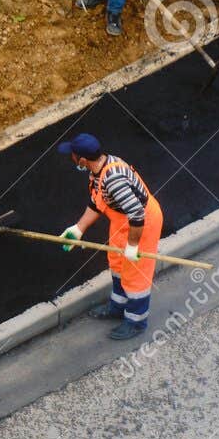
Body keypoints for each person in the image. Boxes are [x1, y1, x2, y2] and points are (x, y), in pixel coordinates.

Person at [55, 132, 163, 341]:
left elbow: (137, 214)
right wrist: (78, 228)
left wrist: (133, 246)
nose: (72, 158)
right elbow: (97, 202)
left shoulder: (114, 180)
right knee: (117, 263)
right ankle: (118, 306)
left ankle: (136, 321)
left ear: (82, 160)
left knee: (135, 274)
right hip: (122, 221)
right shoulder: (98, 170)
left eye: (73, 155)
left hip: (141, 225)